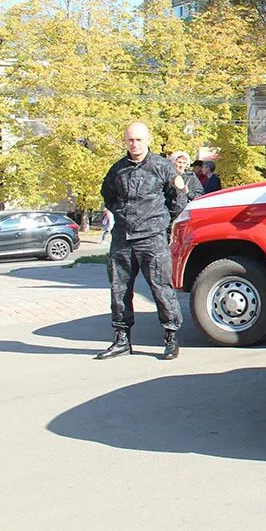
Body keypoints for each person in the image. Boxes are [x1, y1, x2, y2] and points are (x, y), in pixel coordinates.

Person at [97, 122, 188, 361]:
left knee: (161, 289)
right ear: (125, 141)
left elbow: (178, 199)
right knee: (119, 290)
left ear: (147, 140)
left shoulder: (162, 167)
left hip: (152, 238)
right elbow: (108, 196)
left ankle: (170, 337)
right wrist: (123, 215)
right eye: (130, 140)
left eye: (139, 140)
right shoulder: (117, 170)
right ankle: (121, 339)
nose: (134, 144)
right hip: (123, 239)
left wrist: (162, 224)